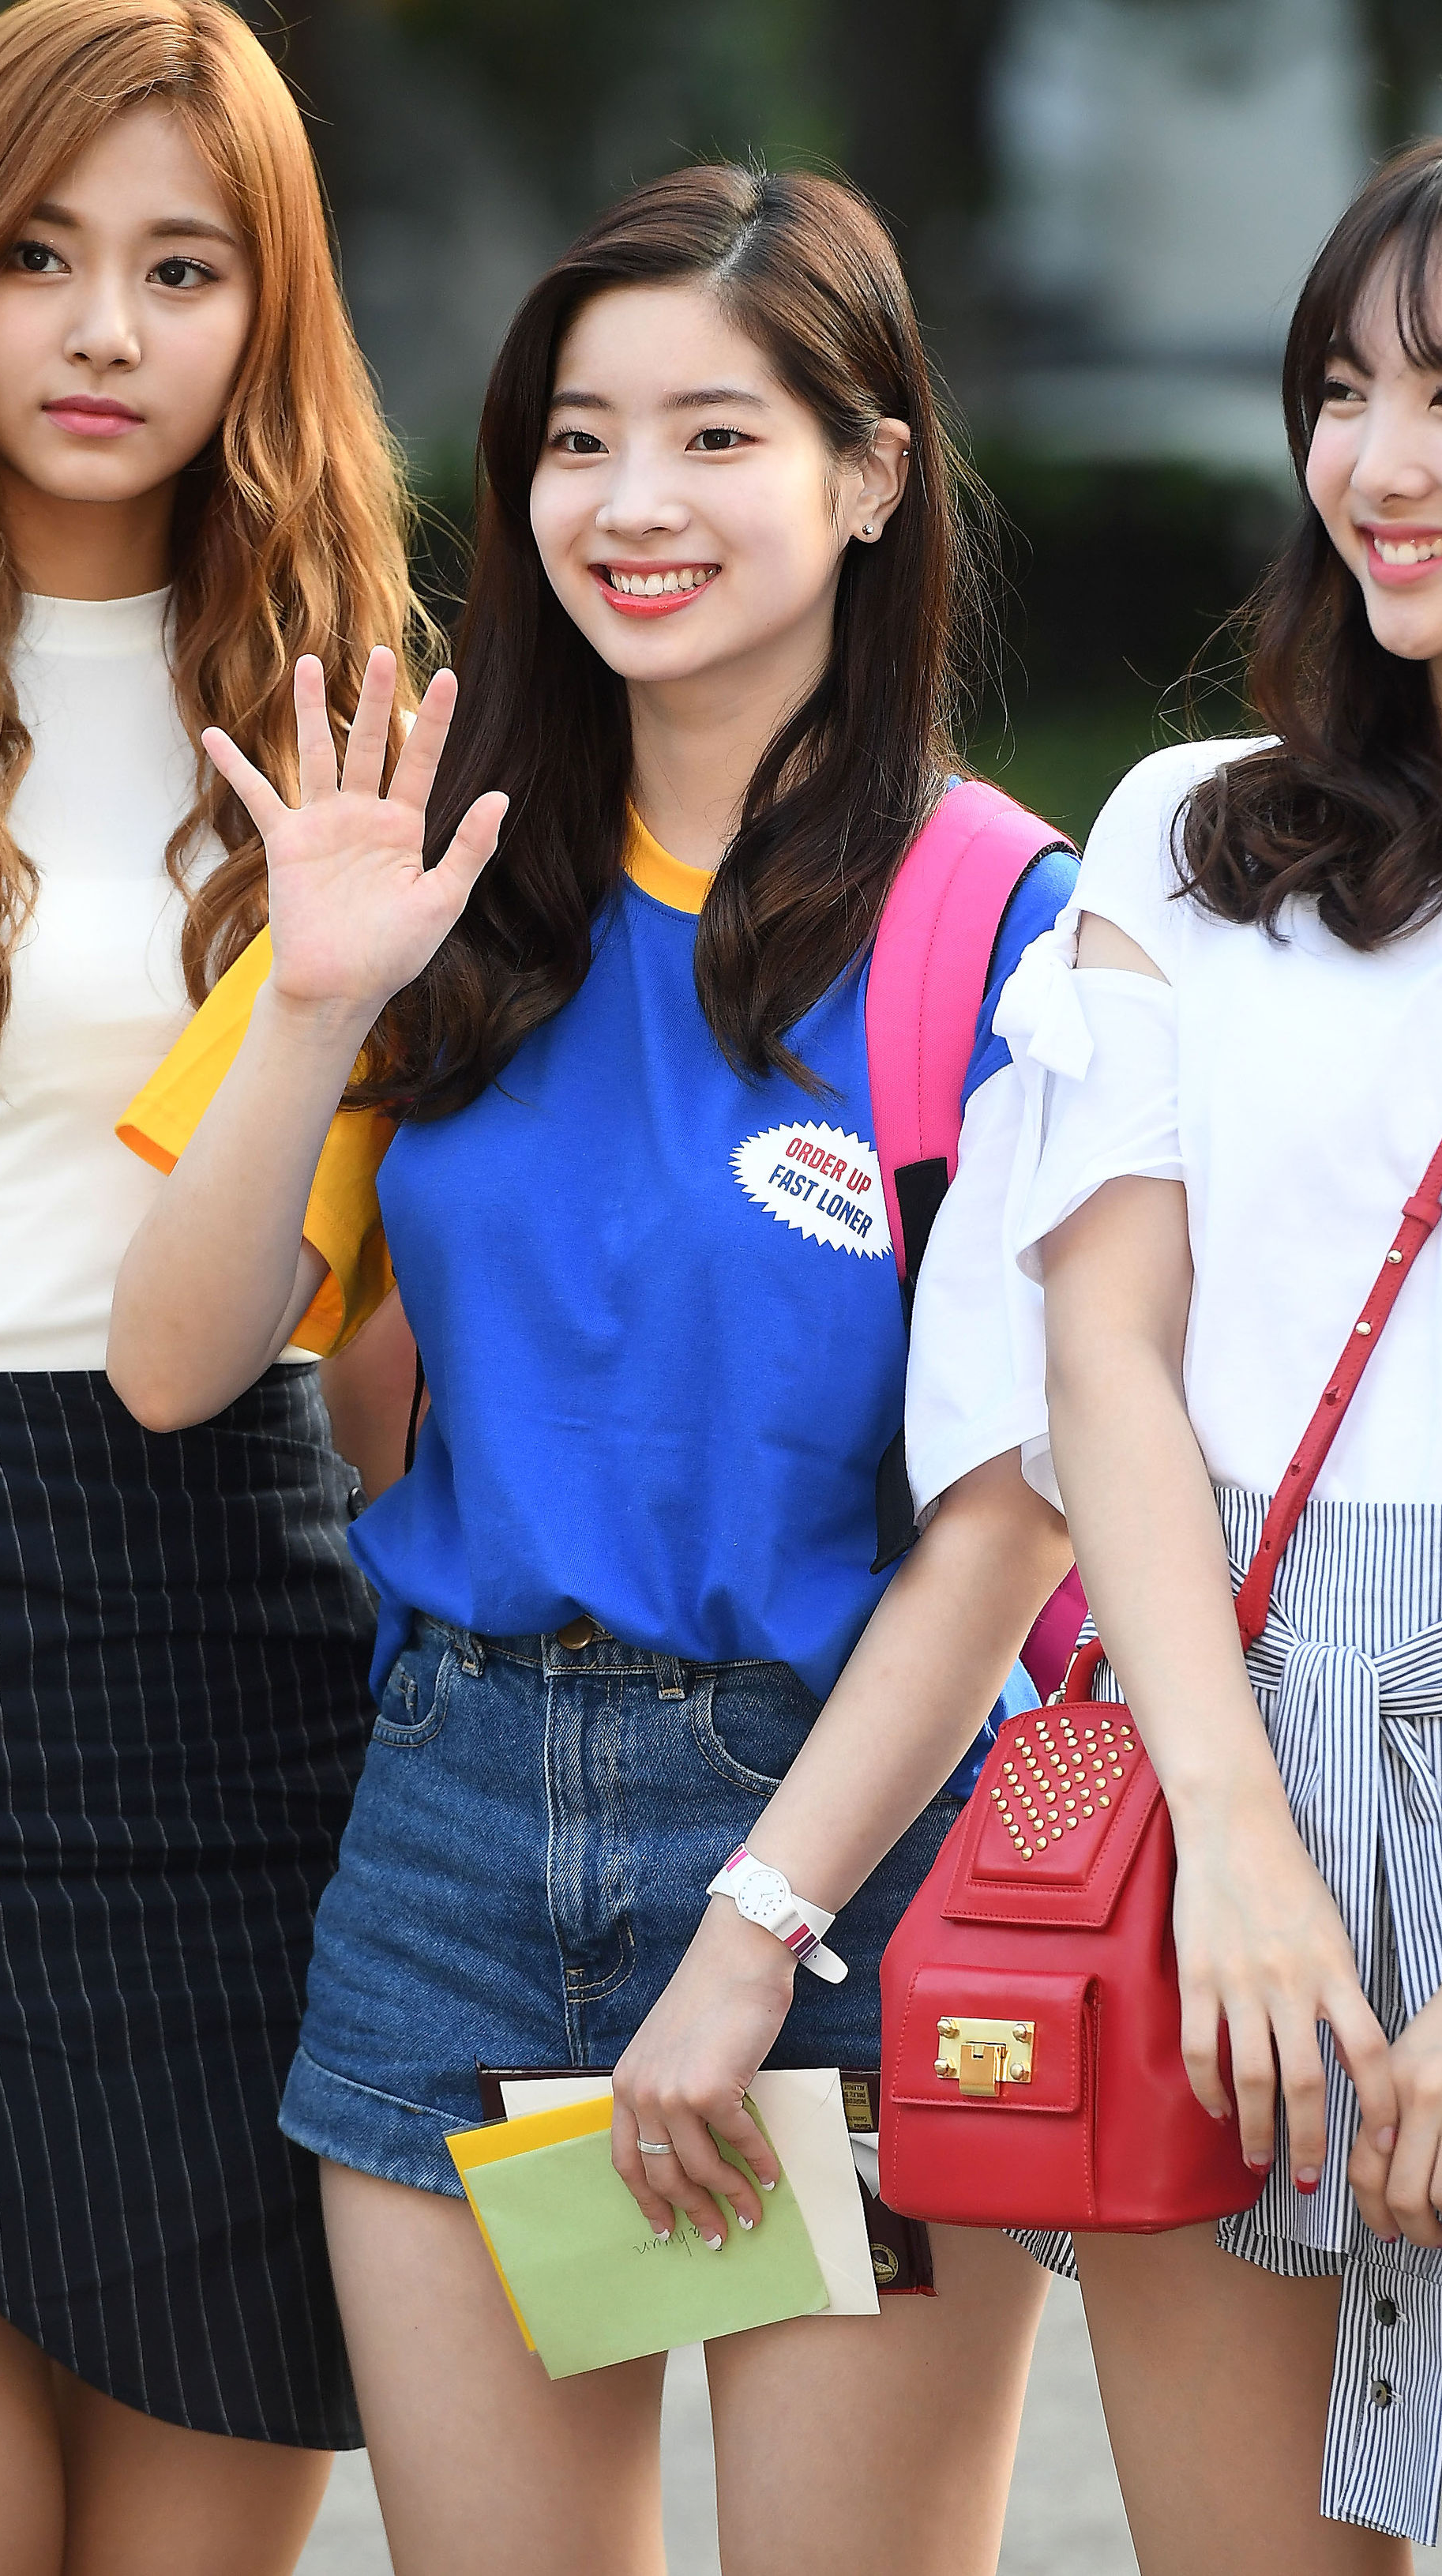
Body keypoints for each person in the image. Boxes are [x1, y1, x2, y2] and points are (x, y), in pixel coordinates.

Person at [108, 167, 1075, 2576]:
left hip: (846, 1864)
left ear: (872, 474)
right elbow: (177, 1365)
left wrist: (755, 1940)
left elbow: (1012, 1511)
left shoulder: (1004, 922)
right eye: (576, 439)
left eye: (716, 435)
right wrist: (313, 998)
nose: (633, 503)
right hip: (455, 1841)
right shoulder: (434, 877)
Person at [0, 3, 427, 2567]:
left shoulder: (361, 704)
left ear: (267, 305)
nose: (106, 331)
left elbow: (396, 1303)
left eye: (183, 269)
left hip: (250, 1694)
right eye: (39, 256)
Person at [986, 140, 1442, 2576]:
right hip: (1228, 1725)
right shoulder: (1186, 836)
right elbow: (1108, 1357)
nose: (1381, 461)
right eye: (1343, 390)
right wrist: (1241, 1850)